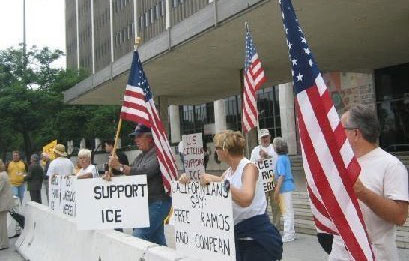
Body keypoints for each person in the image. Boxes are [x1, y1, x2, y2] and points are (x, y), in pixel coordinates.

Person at [180, 130, 282, 261]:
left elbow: (245, 199)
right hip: (239, 239)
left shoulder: (249, 167)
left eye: (216, 148)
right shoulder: (228, 173)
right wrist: (189, 181)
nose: (215, 151)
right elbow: (216, 191)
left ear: (225, 150)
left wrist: (218, 181)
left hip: (256, 240)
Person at [329, 105, 409, 260]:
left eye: (341, 128)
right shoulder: (339, 163)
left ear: (356, 133)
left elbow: (400, 216)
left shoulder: (391, 165)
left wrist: (363, 192)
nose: (336, 133)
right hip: (339, 255)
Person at [109, 124, 172, 246]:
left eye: (138, 136)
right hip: (149, 203)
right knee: (156, 240)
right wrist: (111, 177)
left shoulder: (158, 155)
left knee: (138, 236)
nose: (135, 140)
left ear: (149, 138)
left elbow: (143, 172)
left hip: (158, 202)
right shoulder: (142, 155)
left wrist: (119, 166)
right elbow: (131, 173)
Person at [250, 129, 279, 227]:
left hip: (274, 181)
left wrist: (267, 156)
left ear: (270, 137)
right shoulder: (255, 151)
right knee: (263, 206)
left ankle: (276, 227)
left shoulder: (275, 148)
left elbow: (278, 160)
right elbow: (251, 165)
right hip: (262, 183)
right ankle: (265, 227)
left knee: (276, 206)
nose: (265, 139)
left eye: (266, 136)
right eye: (263, 137)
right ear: (259, 139)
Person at [272, 137, 295, 242]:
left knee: (286, 212)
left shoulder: (280, 159)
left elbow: (281, 175)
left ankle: (288, 235)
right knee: (289, 212)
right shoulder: (285, 157)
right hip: (288, 187)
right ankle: (291, 233)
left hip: (284, 188)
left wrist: (276, 190)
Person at [0, 159, 15, 250]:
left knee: (2, 225)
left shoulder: (1, 175)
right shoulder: (4, 174)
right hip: (3, 203)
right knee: (2, 224)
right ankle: (3, 242)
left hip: (2, 203)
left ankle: (3, 243)